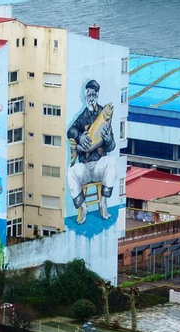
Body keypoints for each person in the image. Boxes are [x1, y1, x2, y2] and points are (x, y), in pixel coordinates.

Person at [66, 78, 118, 225]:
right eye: (89, 95)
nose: (91, 98)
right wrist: (79, 137)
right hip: (85, 166)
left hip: (99, 164)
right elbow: (71, 131)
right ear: (85, 96)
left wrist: (107, 140)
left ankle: (103, 201)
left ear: (97, 95)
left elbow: (112, 146)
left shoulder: (104, 115)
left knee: (112, 162)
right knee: (70, 172)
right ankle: (83, 207)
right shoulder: (82, 117)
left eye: (94, 95)